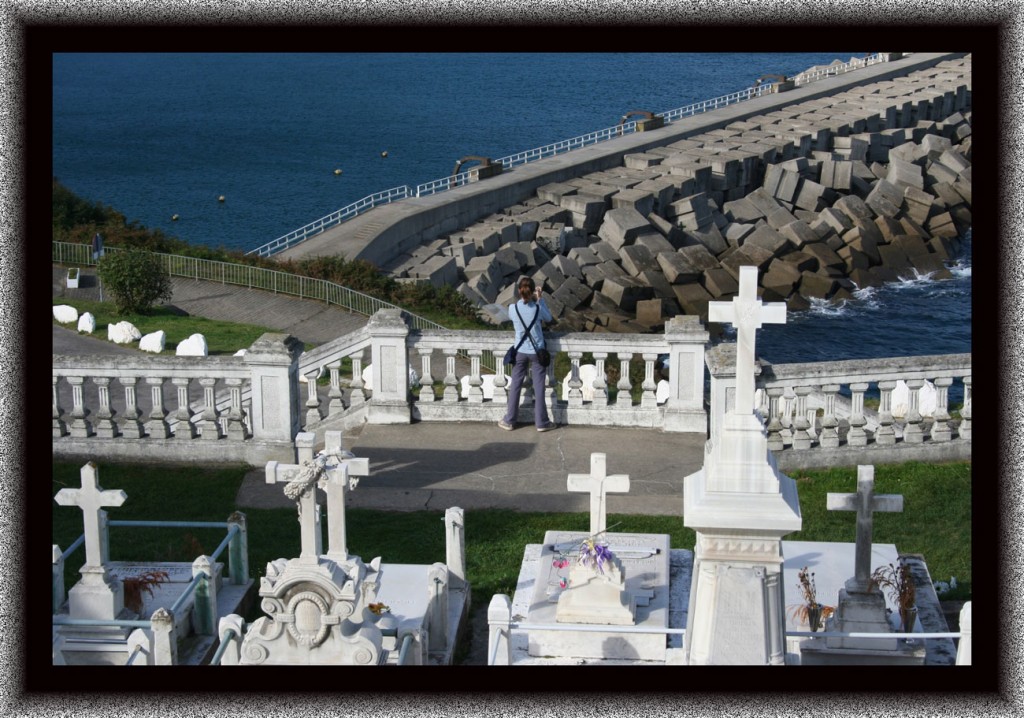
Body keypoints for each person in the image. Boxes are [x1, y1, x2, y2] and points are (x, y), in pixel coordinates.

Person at [499, 276, 555, 432]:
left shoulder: (512, 308)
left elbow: (515, 314)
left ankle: (509, 420)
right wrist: (540, 299)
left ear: (519, 291)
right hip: (537, 353)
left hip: (520, 352)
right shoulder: (537, 308)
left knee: (515, 386)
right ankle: (542, 423)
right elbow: (549, 318)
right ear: (532, 292)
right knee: (539, 388)